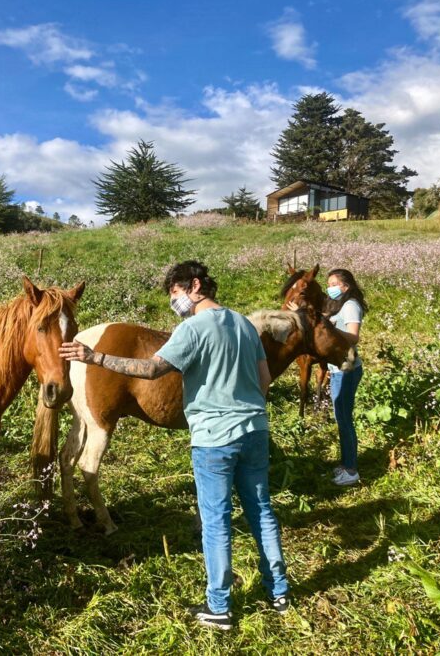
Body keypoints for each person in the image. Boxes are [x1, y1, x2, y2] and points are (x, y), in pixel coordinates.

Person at [59, 261, 289, 630]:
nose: (174, 302)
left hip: (214, 438)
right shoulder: (246, 324)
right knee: (261, 510)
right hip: (255, 431)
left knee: (215, 522)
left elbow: (151, 370)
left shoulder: (192, 329)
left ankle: (220, 606)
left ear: (194, 286)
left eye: (175, 294)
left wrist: (95, 358)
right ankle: (278, 592)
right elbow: (264, 380)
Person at [324, 268, 367, 486]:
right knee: (341, 418)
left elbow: (353, 337)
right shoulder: (338, 304)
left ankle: (351, 470)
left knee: (344, 420)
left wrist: (330, 330)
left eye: (334, 284)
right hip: (337, 368)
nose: (329, 287)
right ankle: (345, 463)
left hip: (347, 369)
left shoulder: (351, 306)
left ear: (345, 286)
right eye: (328, 283)